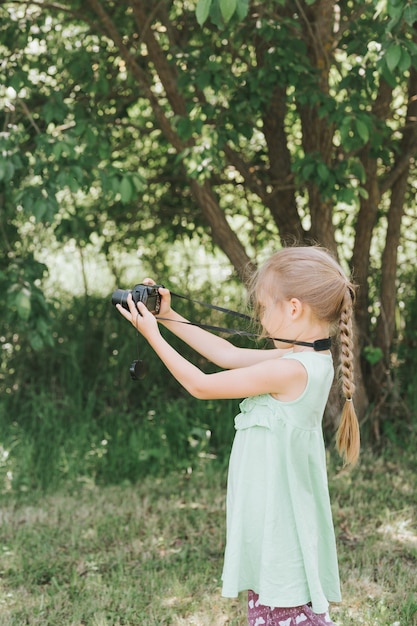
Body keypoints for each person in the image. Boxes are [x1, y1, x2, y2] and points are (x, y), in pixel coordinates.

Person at [116, 245, 360, 626]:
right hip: (273, 517)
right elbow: (227, 355)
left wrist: (152, 335)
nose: (262, 320)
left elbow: (200, 385)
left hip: (280, 523)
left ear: (293, 308)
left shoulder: (293, 369)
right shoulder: (305, 357)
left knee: (282, 612)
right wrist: (168, 317)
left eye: (264, 308)